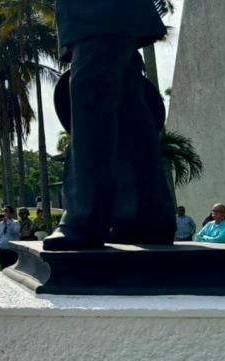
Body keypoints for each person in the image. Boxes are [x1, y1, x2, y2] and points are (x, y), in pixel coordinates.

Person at [45, 0, 174, 250]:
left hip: (100, 13)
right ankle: (146, 217)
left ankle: (85, 219)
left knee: (90, 101)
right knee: (129, 112)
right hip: (109, 16)